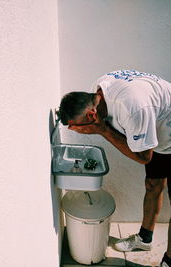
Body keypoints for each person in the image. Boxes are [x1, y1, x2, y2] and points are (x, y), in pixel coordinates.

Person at [58, 70, 171, 267]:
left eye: (78, 126)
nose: (78, 130)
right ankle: (145, 239)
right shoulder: (100, 89)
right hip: (161, 134)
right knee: (153, 184)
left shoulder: (133, 108)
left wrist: (102, 130)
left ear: (92, 114)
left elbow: (145, 157)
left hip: (165, 132)